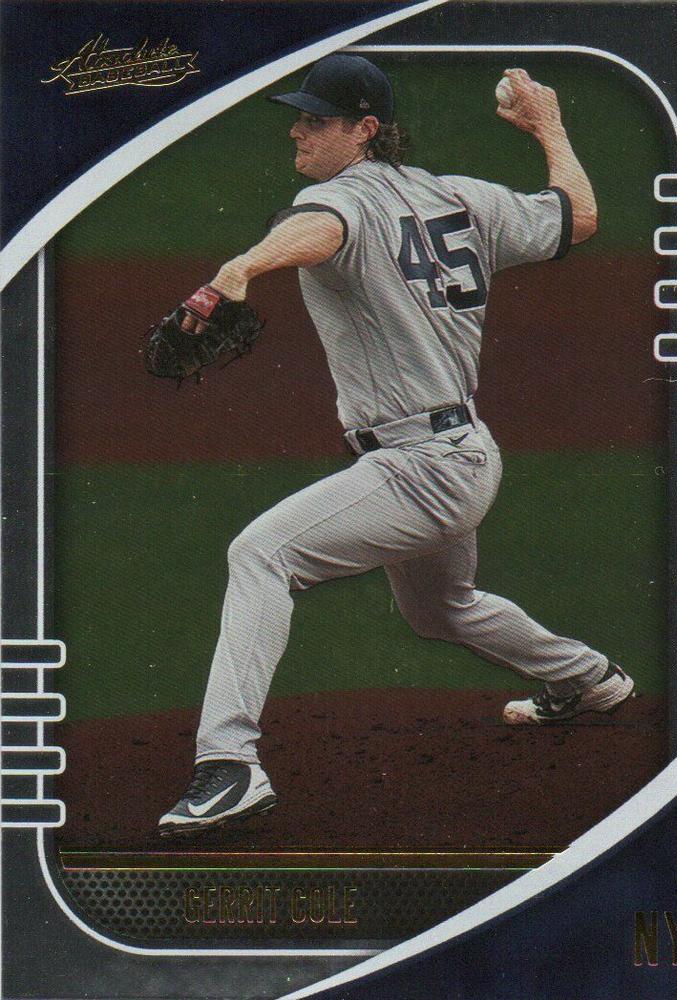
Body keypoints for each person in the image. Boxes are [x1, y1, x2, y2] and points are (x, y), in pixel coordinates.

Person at [158, 54, 634, 836]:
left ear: (365, 130)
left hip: (422, 469)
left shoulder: (338, 199)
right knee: (441, 608)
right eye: (300, 117)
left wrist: (242, 265)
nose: (298, 131)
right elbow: (576, 217)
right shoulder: (465, 197)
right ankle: (589, 678)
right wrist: (549, 127)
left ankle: (229, 765)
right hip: (461, 450)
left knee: (261, 554)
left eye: (316, 120)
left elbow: (324, 229)